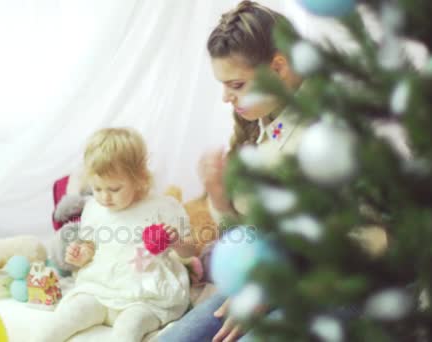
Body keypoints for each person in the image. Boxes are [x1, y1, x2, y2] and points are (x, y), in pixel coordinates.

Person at [160, 2, 305, 341]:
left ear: (279, 68)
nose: (226, 97)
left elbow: (359, 245)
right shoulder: (265, 126)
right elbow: (252, 234)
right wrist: (221, 200)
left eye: (237, 84)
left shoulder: (327, 132)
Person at [35, 127, 196, 342]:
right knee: (67, 317)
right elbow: (91, 245)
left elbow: (191, 249)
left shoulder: (162, 207)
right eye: (97, 188)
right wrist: (82, 253)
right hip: (101, 288)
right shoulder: (93, 208)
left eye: (114, 189)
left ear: (139, 179)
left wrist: (175, 241)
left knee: (129, 328)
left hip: (145, 295)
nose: (105, 197)